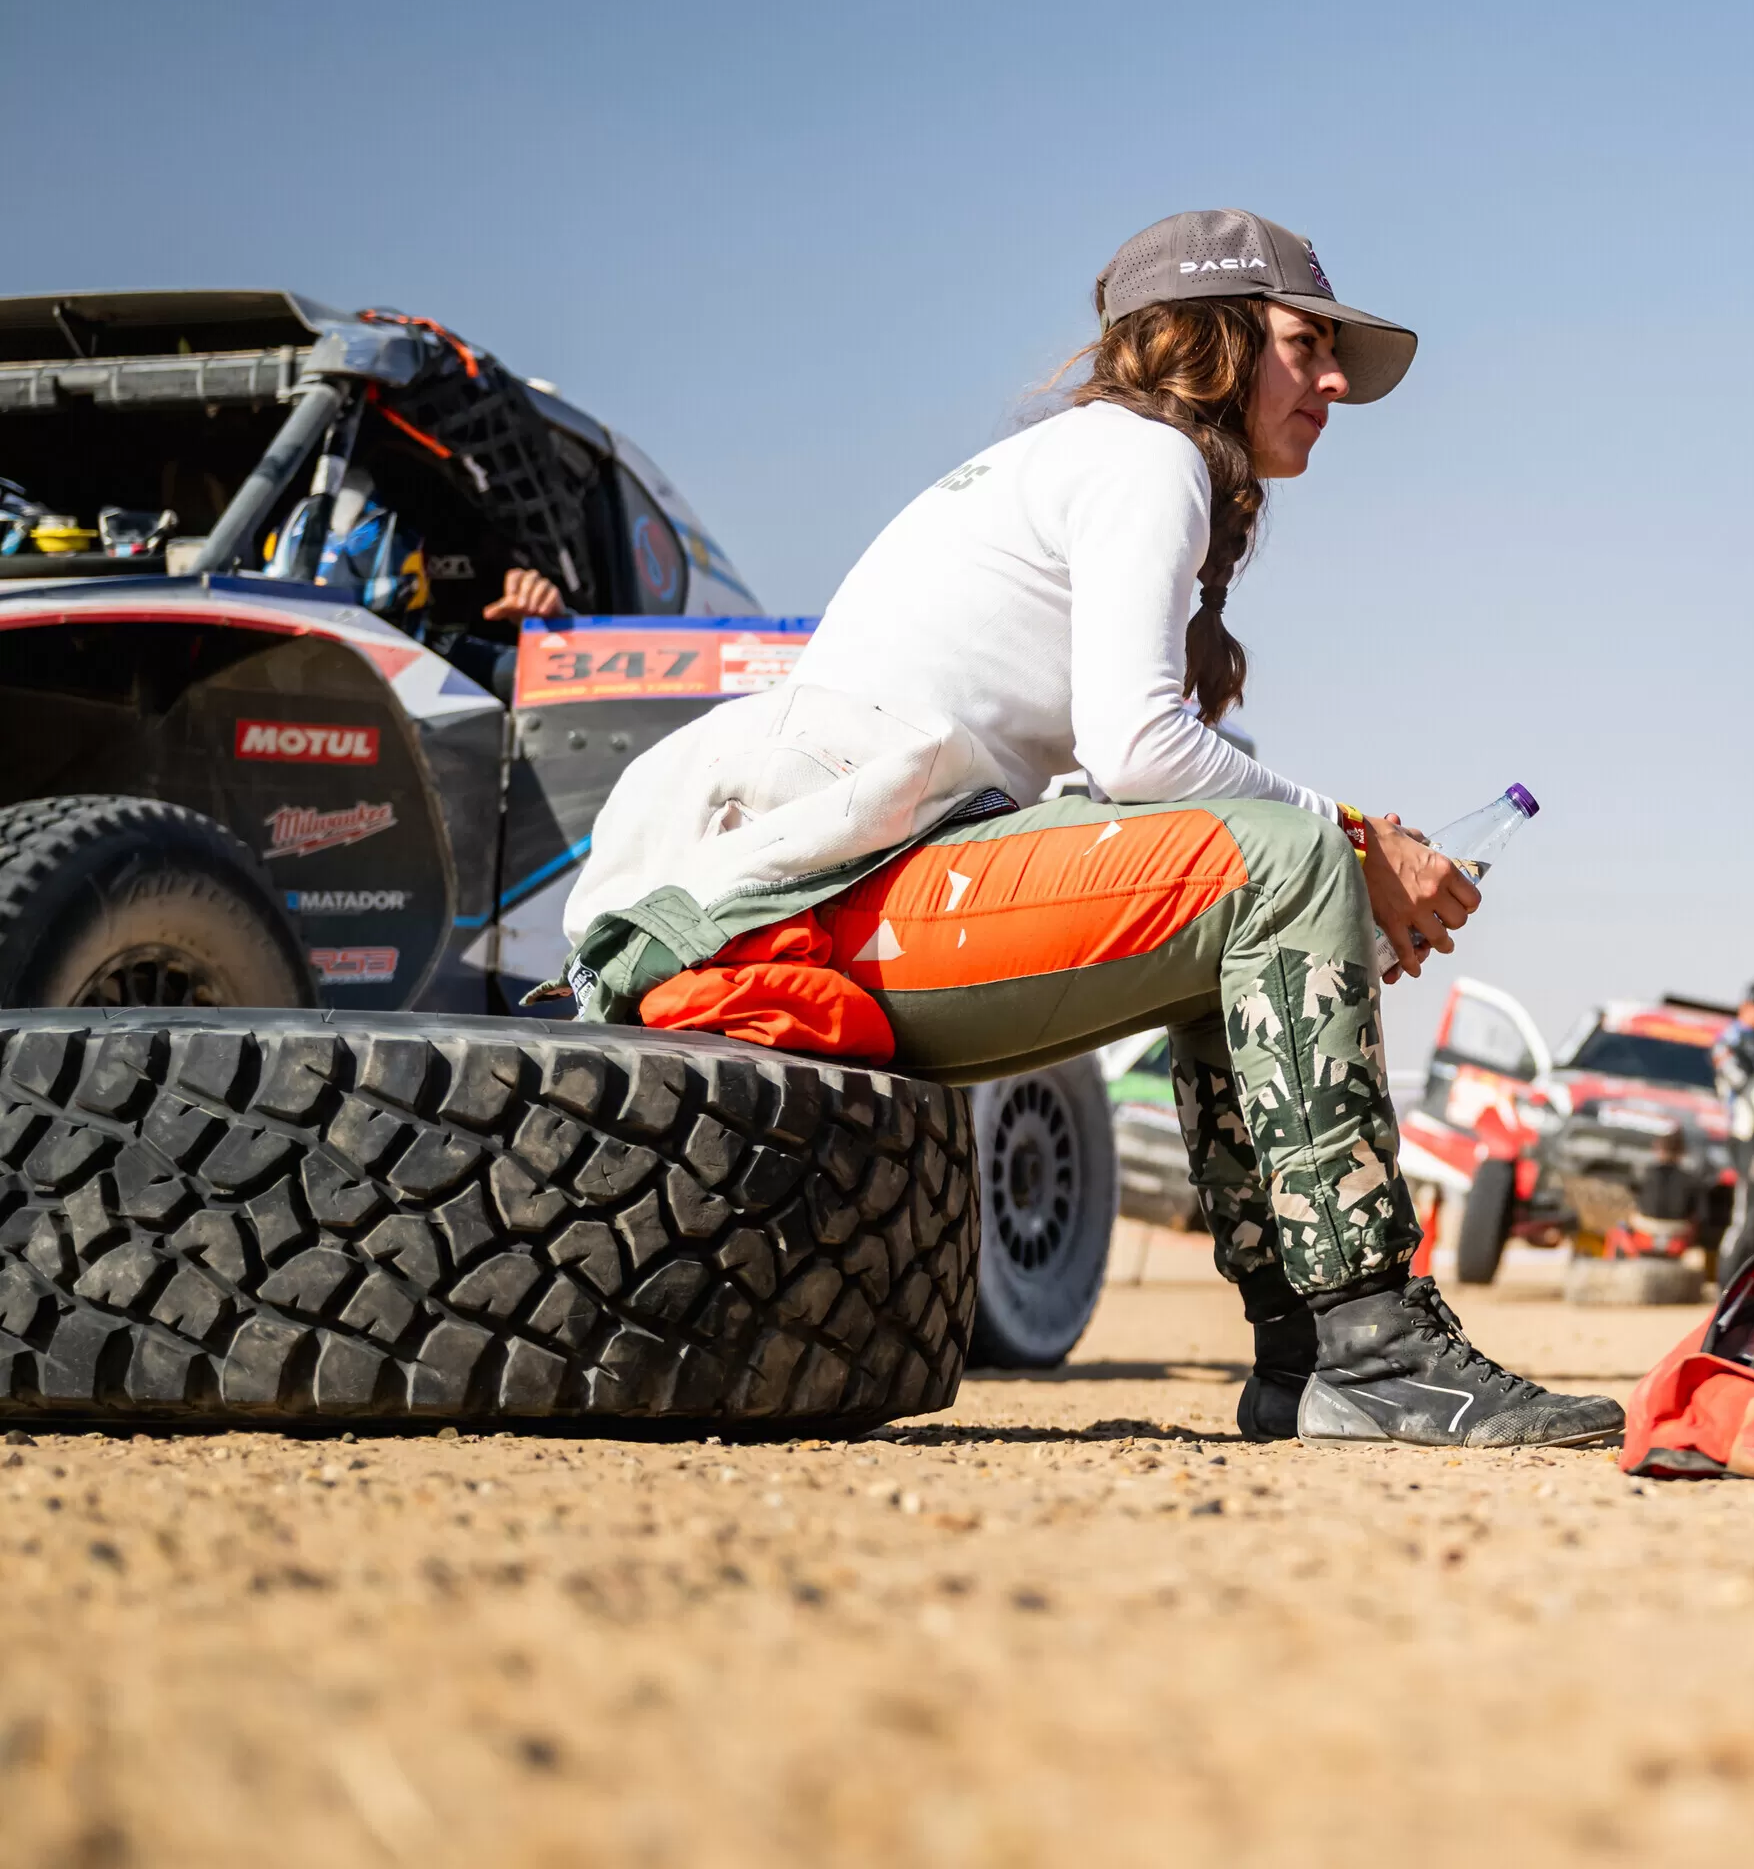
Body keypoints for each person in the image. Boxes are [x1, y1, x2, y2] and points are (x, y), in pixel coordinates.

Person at [562, 208, 1622, 1450]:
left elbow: (1127, 798)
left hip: (817, 905)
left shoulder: (1077, 462)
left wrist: (1325, 891)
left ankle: (1310, 1356)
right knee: (1283, 859)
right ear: (1213, 339)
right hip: (787, 922)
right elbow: (1140, 752)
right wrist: (1351, 844)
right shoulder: (1145, 456)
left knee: (1259, 874)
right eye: (1307, 345)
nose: (1335, 382)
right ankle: (1373, 1350)